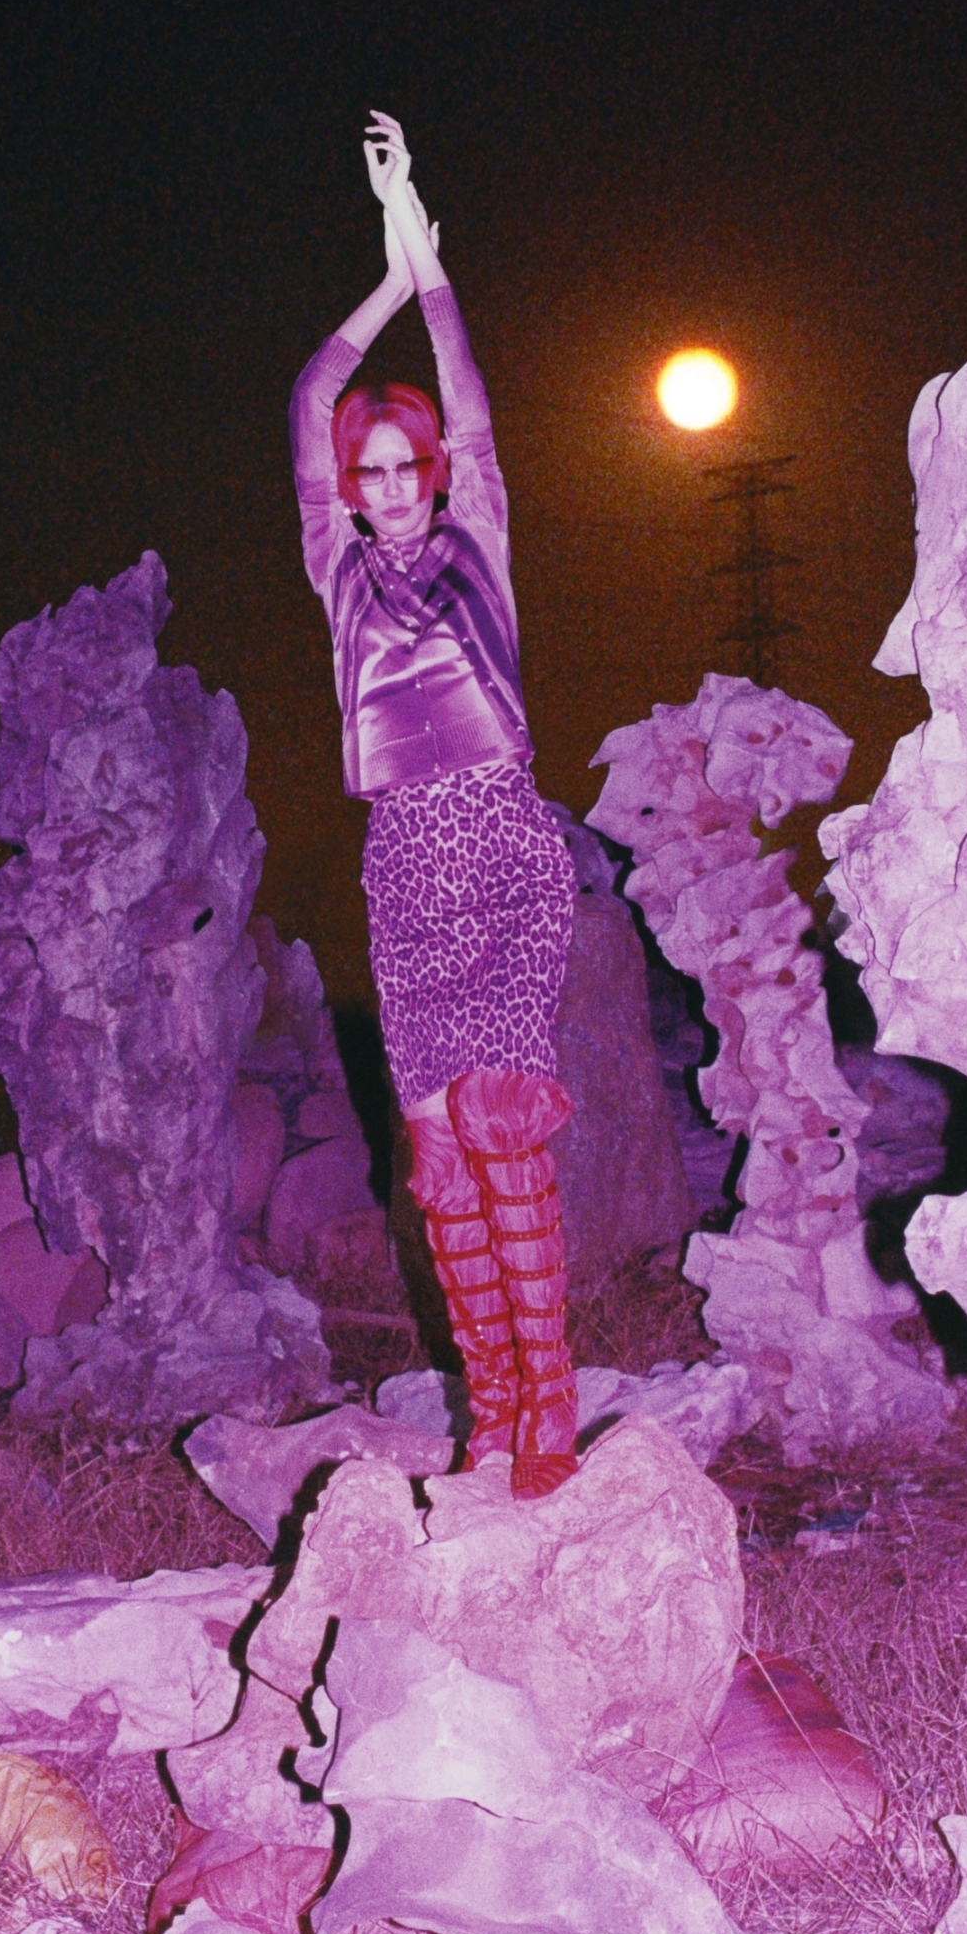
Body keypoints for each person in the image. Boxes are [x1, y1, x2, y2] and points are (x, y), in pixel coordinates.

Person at [288, 112, 580, 1497]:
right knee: (441, 1167)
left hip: (501, 842)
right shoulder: (339, 574)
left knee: (505, 1126)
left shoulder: (481, 540)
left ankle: (553, 1403)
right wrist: (389, 280)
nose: (397, 489)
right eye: (375, 472)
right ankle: (492, 1404)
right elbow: (311, 398)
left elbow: (470, 404)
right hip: (403, 864)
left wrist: (441, 282)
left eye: (412, 466)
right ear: (352, 490)